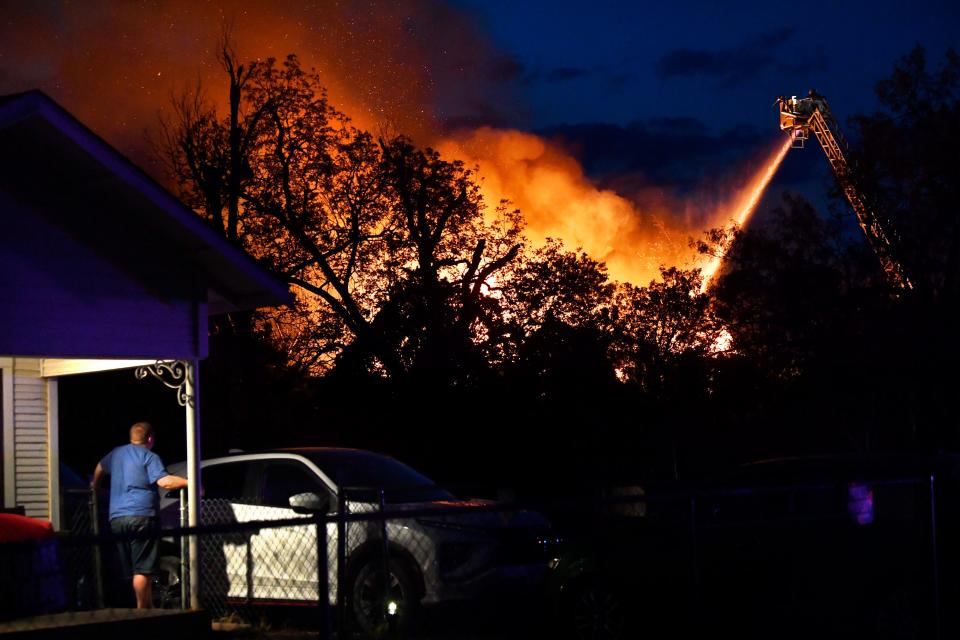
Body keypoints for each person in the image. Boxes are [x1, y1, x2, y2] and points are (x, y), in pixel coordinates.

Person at [91, 422, 188, 608]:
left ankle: (143, 607)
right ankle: (143, 613)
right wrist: (189, 482)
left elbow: (100, 467)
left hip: (117, 519)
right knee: (142, 570)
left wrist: (95, 486)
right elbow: (165, 482)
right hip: (142, 516)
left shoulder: (116, 453)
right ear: (150, 438)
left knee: (131, 570)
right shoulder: (149, 456)